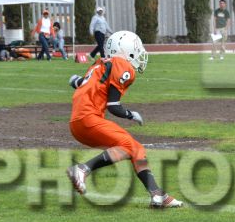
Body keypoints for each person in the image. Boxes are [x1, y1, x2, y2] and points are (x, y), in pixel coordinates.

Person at [66, 31, 183, 209]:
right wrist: (131, 114)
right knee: (129, 146)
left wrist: (75, 81)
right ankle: (82, 169)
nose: (139, 54)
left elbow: (82, 83)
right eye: (136, 50)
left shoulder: (99, 64)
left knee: (135, 149)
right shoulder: (122, 65)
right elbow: (114, 106)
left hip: (77, 124)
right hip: (89, 119)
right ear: (126, 50)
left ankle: (157, 194)